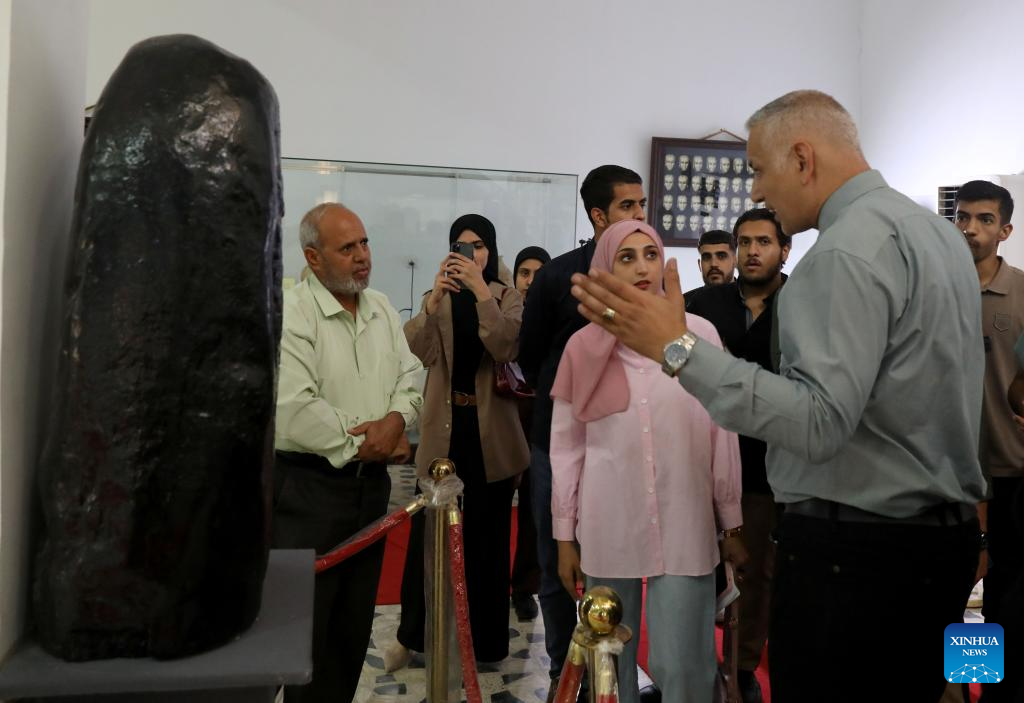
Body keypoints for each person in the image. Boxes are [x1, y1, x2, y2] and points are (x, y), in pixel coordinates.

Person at [569, 90, 986, 702]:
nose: (758, 193)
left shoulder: (843, 254)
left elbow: (819, 421)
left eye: (759, 171)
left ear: (801, 158)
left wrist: (676, 348)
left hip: (858, 554)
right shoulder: (938, 236)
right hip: (938, 540)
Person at [551, 220, 743, 703]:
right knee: (609, 668)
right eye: (626, 256)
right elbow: (567, 448)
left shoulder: (696, 336)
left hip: (685, 521)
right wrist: (564, 535)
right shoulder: (581, 348)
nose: (641, 267)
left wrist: (732, 521)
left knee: (685, 663)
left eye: (650, 254)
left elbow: (722, 431)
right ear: (603, 268)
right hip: (608, 521)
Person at [273, 202, 423, 703]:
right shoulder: (292, 313)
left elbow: (411, 376)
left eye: (365, 243)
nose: (363, 257)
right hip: (307, 493)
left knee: (350, 631)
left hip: (369, 491)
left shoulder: (379, 307)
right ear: (314, 259)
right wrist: (370, 440)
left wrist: (397, 420)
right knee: (305, 639)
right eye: (347, 248)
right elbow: (294, 407)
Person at [518, 165, 645, 699]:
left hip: (624, 443)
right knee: (555, 561)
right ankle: (558, 669)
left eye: (642, 205)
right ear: (597, 215)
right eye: (627, 207)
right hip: (558, 441)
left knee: (617, 558)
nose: (639, 217)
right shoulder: (560, 277)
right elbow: (530, 355)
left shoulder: (649, 276)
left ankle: (613, 673)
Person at [390, 213, 529, 666]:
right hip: (443, 434)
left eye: (479, 245)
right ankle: (414, 638)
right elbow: (420, 351)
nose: (471, 254)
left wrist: (481, 292)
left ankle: (487, 646)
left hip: (490, 435)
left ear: (492, 250)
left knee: (487, 541)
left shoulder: (508, 298)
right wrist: (432, 304)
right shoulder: (439, 297)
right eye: (461, 245)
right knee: (426, 540)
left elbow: (507, 345)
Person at [684, 207, 790, 703]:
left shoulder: (804, 302)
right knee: (694, 569)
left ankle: (744, 665)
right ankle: (689, 665)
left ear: (783, 250)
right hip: (700, 459)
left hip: (770, 465)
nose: (752, 251)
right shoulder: (701, 305)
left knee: (756, 572)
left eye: (763, 242)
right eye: (743, 241)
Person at [955, 180, 1023, 703]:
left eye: (983, 219)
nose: (971, 229)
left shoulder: (1023, 293)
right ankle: (965, 685)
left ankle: (995, 693)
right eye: (963, 218)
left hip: (1012, 470)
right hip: (950, 472)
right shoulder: (936, 288)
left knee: (1005, 593)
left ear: (1005, 229)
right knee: (958, 591)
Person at [509, 245, 552, 621]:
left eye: (539, 273)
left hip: (539, 416)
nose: (530, 280)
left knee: (533, 510)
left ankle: (524, 587)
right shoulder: (502, 312)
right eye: (524, 272)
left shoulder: (556, 319)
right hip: (504, 417)